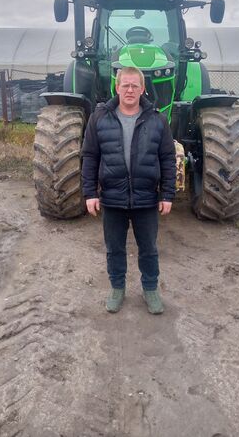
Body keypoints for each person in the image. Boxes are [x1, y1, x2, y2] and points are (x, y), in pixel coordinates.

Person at [81, 66, 176, 314]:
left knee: (149, 249)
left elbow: (167, 158)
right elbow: (90, 156)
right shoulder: (99, 118)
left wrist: (167, 194)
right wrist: (90, 193)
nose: (130, 90)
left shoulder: (157, 119)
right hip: (113, 198)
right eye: (125, 85)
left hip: (146, 198)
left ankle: (150, 289)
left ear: (143, 89)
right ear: (117, 87)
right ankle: (117, 288)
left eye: (135, 86)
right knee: (114, 249)